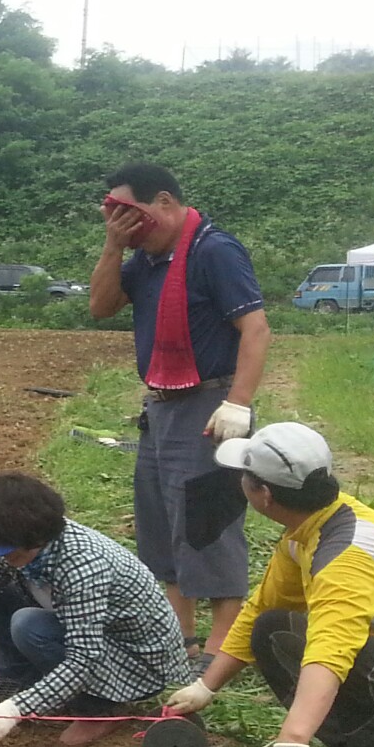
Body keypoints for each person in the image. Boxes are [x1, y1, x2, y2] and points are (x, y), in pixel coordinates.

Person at [165, 422, 374, 747]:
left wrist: (293, 741)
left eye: (244, 477)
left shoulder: (346, 559)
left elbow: (329, 655)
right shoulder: (309, 528)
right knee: (274, 630)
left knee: (355, 659)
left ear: (263, 494)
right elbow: (264, 608)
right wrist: (206, 685)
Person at [89, 162, 269, 655]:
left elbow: (255, 329)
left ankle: (221, 648)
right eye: (116, 219)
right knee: (161, 526)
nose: (128, 227)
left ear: (165, 202)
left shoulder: (214, 250)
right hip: (162, 407)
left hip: (208, 403)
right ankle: (180, 639)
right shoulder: (146, 260)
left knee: (206, 522)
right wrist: (113, 247)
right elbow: (101, 306)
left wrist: (238, 403)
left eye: (133, 215)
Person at [0, 471, 191, 746]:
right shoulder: (25, 545)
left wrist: (14, 710)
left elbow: (84, 657)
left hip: (134, 662)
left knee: (28, 625)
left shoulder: (82, 566)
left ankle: (97, 709)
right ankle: (28, 689)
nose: (2, 559)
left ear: (34, 539)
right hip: (91, 637)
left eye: (7, 552)